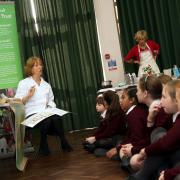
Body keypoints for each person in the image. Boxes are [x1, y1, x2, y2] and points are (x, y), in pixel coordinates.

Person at [15, 57, 73, 155]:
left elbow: (51, 101)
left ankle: (61, 141)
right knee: (47, 120)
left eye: (40, 64)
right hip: (31, 114)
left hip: (45, 112)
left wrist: (50, 108)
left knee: (56, 117)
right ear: (31, 68)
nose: (40, 67)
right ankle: (44, 143)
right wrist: (28, 95)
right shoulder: (24, 83)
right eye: (36, 65)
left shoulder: (46, 85)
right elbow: (18, 102)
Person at [127, 80, 180, 180]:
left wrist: (143, 151)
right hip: (169, 156)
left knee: (159, 137)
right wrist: (150, 119)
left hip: (173, 158)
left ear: (176, 100)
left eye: (164, 97)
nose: (161, 100)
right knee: (158, 137)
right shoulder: (170, 114)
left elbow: (165, 143)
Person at [106, 86, 149, 169]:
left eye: (123, 98)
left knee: (121, 150)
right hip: (138, 142)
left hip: (140, 145)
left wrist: (120, 147)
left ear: (131, 100)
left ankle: (127, 163)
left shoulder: (134, 115)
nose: (120, 101)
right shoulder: (134, 112)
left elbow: (136, 138)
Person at [83, 90, 126, 157]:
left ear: (107, 101)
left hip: (118, 138)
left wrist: (95, 138)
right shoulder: (109, 112)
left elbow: (110, 131)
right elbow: (102, 128)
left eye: (104, 101)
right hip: (111, 137)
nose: (103, 102)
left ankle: (113, 151)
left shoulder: (118, 112)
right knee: (95, 149)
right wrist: (94, 137)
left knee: (98, 143)